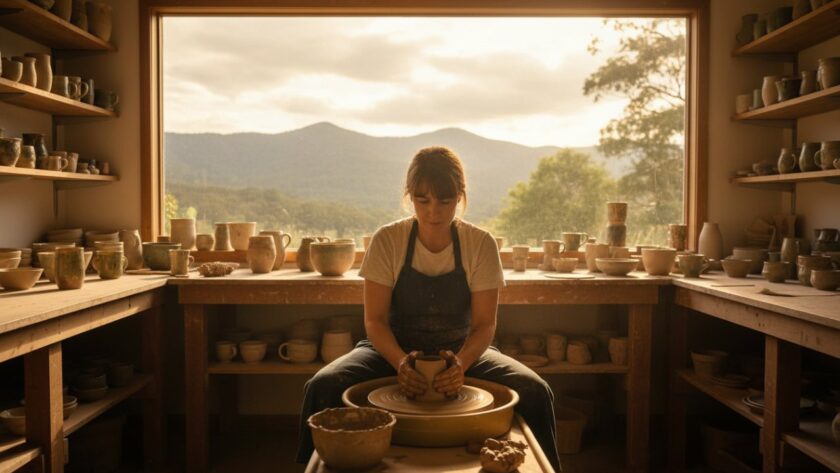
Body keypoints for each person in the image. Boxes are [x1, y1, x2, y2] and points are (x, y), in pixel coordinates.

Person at [296, 146, 561, 471]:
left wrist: (461, 364)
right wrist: (401, 362)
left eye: (445, 201)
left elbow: (483, 326)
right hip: (391, 348)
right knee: (322, 387)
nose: (434, 211)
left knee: (536, 391)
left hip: (462, 350)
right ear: (409, 196)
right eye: (423, 200)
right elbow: (375, 321)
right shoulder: (388, 240)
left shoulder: (480, 244)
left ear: (461, 196)